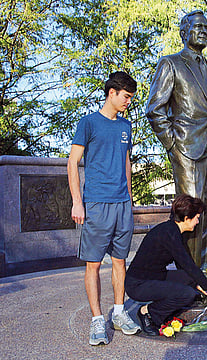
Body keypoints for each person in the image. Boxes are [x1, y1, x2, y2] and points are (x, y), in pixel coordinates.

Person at [146, 10, 207, 270]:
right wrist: (173, 145)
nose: (204, 31)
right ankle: (190, 279)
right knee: (189, 215)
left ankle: (203, 275)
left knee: (205, 217)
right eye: (197, 27)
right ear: (184, 33)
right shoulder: (170, 63)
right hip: (186, 149)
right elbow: (154, 110)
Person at [67, 71, 141, 345]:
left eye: (130, 98)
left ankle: (119, 313)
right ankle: (98, 320)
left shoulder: (125, 127)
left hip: (122, 204)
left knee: (120, 261)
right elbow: (73, 162)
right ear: (112, 93)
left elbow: (126, 162)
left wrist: (130, 199)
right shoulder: (87, 123)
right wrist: (77, 201)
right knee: (94, 264)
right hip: (97, 203)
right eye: (126, 97)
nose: (128, 102)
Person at [125, 194, 207, 335]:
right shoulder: (169, 234)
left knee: (187, 280)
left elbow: (187, 270)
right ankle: (147, 312)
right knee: (186, 294)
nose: (197, 222)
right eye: (197, 218)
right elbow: (188, 265)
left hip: (154, 277)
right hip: (138, 284)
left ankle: (162, 309)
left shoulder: (173, 231)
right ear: (187, 218)